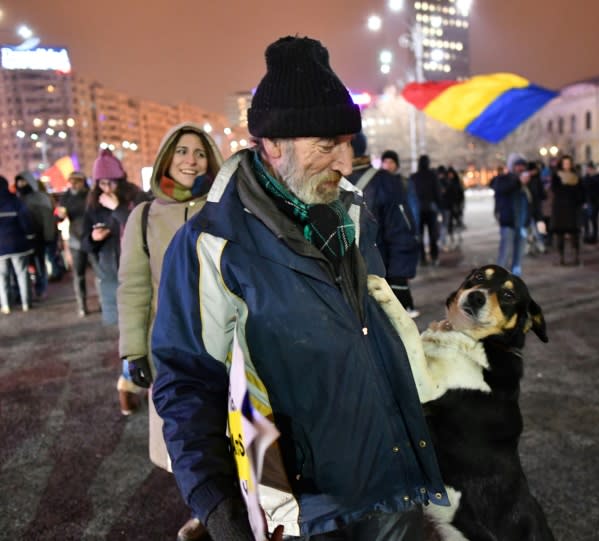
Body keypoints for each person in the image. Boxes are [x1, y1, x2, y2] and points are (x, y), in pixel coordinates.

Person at [150, 36, 446, 541]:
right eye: (326, 146)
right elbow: (186, 382)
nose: (344, 162)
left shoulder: (351, 213)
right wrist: (218, 503)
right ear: (271, 144)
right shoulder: (211, 244)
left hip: (392, 483)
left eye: (348, 142)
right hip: (305, 510)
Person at [116, 123, 223, 540]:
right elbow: (134, 288)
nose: (190, 160)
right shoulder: (143, 216)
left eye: (199, 152)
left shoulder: (223, 209)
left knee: (228, 425)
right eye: (182, 151)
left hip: (222, 338)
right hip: (169, 345)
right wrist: (132, 351)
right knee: (185, 434)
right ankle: (203, 510)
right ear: (166, 157)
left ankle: (231, 508)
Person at [348, 133, 420, 318]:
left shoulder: (383, 181)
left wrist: (398, 279)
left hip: (377, 278)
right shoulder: (325, 179)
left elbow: (401, 230)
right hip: (346, 282)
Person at [82, 149, 144, 326]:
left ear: (120, 181)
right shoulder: (94, 204)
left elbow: (142, 228)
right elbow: (84, 244)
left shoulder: (136, 197)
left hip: (136, 273)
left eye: (111, 183)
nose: (107, 189)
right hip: (109, 275)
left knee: (140, 324)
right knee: (119, 328)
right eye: (102, 184)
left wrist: (118, 208)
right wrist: (94, 238)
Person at [14, 171, 57, 299]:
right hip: (23, 238)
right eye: (19, 182)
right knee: (25, 267)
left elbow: (47, 219)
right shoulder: (18, 199)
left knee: (39, 264)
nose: (21, 184)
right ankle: (25, 293)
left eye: (23, 181)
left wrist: (49, 236)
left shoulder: (40, 198)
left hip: (38, 236)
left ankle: (41, 288)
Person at [57, 171, 92, 316]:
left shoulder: (91, 195)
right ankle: (82, 305)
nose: (73, 184)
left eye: (76, 181)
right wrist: (60, 216)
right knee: (78, 274)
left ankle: (105, 302)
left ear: (83, 181)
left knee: (99, 273)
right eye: (71, 181)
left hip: (92, 237)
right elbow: (60, 217)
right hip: (75, 239)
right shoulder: (65, 197)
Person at [491, 155, 531, 275]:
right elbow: (501, 189)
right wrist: (519, 182)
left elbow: (534, 201)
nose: (520, 169)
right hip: (508, 221)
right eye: (518, 166)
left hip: (523, 223)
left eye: (523, 167)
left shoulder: (527, 184)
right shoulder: (505, 179)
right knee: (505, 251)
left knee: (518, 254)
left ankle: (515, 277)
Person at [0, 175, 34, 314]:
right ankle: (26, 303)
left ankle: (6, 304)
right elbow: (25, 220)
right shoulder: (15, 200)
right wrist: (30, 236)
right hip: (18, 244)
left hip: (0, 248)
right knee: (22, 274)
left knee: (2, 277)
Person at [549, 155, 585, 265]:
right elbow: (556, 190)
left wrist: (578, 200)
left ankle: (576, 257)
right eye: (565, 163)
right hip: (560, 209)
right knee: (560, 234)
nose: (567, 165)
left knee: (575, 234)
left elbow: (581, 192)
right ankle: (561, 257)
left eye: (568, 163)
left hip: (573, 208)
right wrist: (569, 189)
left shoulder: (576, 176)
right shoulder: (556, 176)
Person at [409, 154, 442, 266]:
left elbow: (410, 194)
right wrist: (439, 207)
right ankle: (434, 256)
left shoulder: (414, 177)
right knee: (433, 234)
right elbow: (438, 193)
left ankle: (422, 258)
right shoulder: (433, 176)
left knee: (420, 235)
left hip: (417, 210)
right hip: (431, 209)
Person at [581, 161, 599, 244]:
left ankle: (594, 236)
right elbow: (582, 189)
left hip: (595, 202)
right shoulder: (585, 178)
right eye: (588, 169)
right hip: (586, 201)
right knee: (585, 219)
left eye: (590, 169)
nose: (589, 170)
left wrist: (598, 200)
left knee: (593, 219)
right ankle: (587, 235)